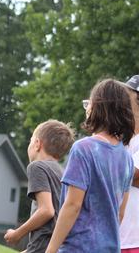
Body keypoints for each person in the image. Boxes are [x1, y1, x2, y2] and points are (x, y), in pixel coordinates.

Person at [46, 79, 135, 253]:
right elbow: (120, 214)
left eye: (89, 103)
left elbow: (73, 205)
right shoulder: (127, 158)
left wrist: (51, 250)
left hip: (79, 247)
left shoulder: (84, 149)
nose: (86, 108)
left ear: (99, 108)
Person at [4, 120, 75, 252]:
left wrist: (17, 234)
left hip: (42, 244)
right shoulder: (62, 172)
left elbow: (47, 210)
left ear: (37, 144)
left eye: (30, 141)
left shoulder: (37, 167)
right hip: (57, 245)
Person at [120, 75, 139, 253]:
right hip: (112, 235)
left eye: (128, 95)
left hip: (135, 240)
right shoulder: (119, 136)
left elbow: (131, 173)